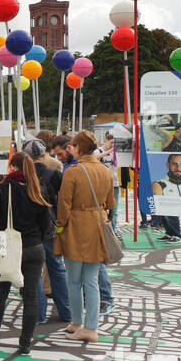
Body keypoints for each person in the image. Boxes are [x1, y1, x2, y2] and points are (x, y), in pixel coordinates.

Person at [0, 151, 53, 355]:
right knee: (31, 296)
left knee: (0, 292)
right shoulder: (37, 189)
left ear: (13, 168)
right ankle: (24, 344)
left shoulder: (5, 188)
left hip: (5, 244)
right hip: (33, 246)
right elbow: (45, 224)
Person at [55, 131, 115, 343]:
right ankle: (89, 325)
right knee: (91, 280)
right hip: (97, 226)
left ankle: (79, 322)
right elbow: (110, 204)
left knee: (73, 280)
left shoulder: (73, 172)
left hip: (75, 227)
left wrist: (59, 229)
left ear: (78, 148)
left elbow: (63, 205)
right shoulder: (105, 171)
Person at [23, 139, 72, 327]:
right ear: (44, 155)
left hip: (29, 230)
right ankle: (66, 311)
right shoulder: (55, 174)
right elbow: (64, 199)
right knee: (57, 268)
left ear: (26, 156)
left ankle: (38, 314)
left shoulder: (23, 176)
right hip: (50, 227)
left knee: (32, 272)